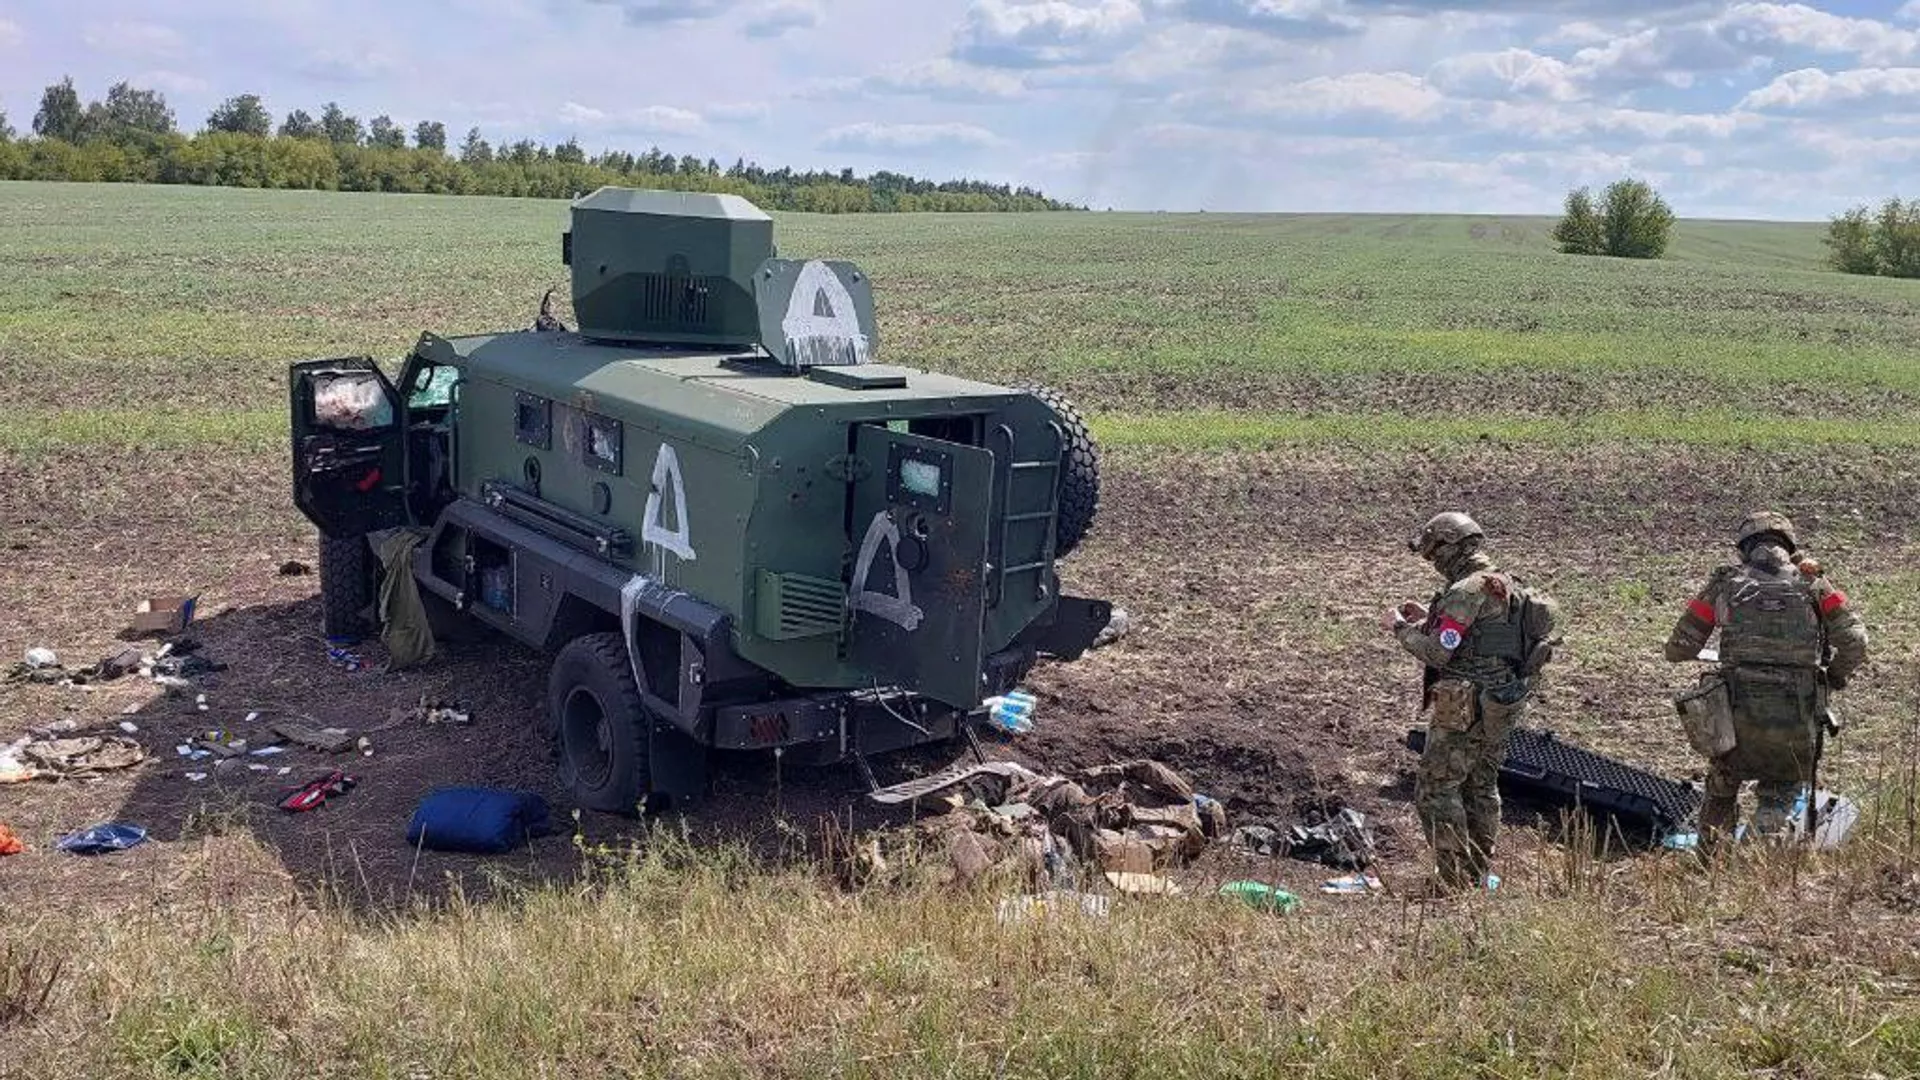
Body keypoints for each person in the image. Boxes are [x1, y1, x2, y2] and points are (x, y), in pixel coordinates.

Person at [1664, 511, 1868, 847]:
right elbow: (1856, 642)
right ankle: (1755, 871)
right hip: (1796, 714)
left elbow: (1680, 646)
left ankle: (1708, 868)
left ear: (1744, 548)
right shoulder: (1816, 585)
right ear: (1789, 545)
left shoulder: (1726, 583)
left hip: (1734, 714)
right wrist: (1834, 677)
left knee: (1720, 792)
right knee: (1779, 796)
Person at [1385, 512, 1556, 893]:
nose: (1433, 562)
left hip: (1464, 705)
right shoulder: (1506, 584)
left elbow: (1437, 652)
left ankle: (1450, 880)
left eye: (1433, 553)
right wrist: (1431, 616)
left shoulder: (1466, 590)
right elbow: (1484, 636)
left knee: (1437, 787)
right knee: (1480, 784)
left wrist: (1400, 627)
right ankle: (1475, 873)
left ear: (1449, 547)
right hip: (1502, 701)